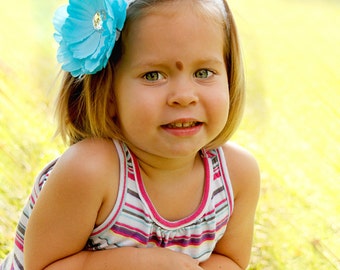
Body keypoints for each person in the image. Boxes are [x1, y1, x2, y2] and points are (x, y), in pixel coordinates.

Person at [0, 0, 260, 269]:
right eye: (153, 75)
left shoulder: (237, 175)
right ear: (109, 94)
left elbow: (230, 260)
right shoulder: (90, 171)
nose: (184, 97)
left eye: (204, 72)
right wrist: (144, 263)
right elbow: (43, 266)